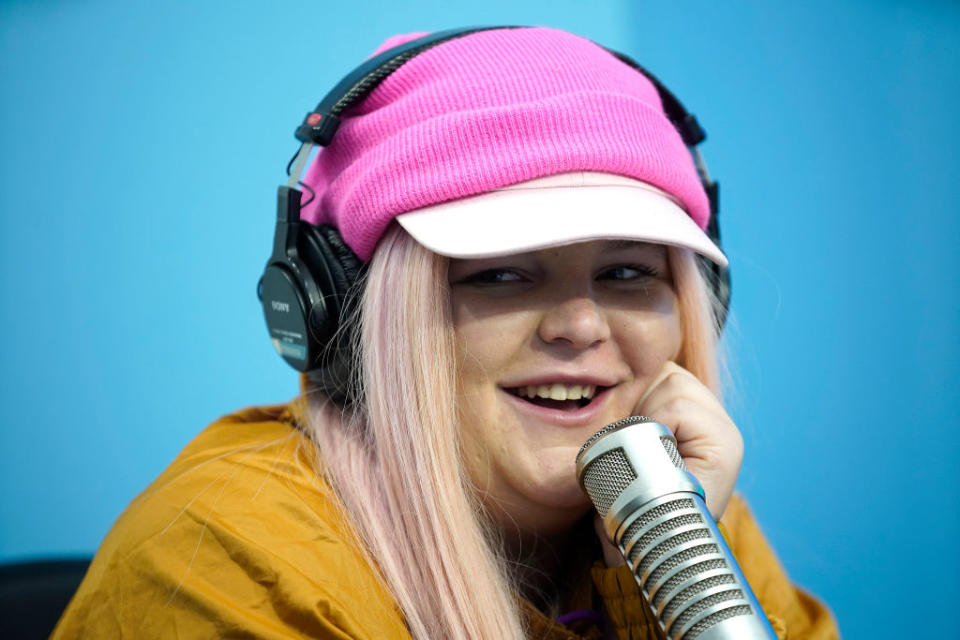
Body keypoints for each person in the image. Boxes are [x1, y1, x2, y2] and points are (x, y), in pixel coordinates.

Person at [53, 27, 839, 639]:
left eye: (628, 273)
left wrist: (653, 568)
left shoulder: (677, 513)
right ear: (347, 312)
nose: (580, 325)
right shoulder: (226, 556)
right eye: (498, 273)